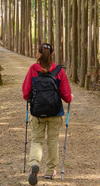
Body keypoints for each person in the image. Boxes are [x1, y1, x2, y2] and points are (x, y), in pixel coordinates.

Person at [22, 43, 73, 185]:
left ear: (38, 54)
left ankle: (34, 164)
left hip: (37, 113)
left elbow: (26, 94)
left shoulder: (33, 69)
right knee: (53, 141)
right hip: (55, 112)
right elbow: (66, 94)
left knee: (37, 140)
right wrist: (70, 99)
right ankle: (50, 172)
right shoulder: (59, 70)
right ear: (52, 54)